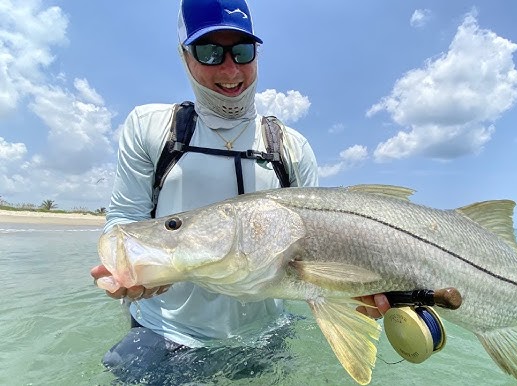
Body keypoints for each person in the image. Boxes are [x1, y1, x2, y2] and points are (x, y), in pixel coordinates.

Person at [89, 0, 389, 382]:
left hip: (265, 336)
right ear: (185, 57)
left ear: (256, 54)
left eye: (242, 51)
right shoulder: (150, 128)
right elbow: (123, 218)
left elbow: (321, 253)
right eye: (209, 52)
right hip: (164, 334)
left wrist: (366, 290)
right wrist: (126, 271)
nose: (230, 70)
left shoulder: (291, 147)